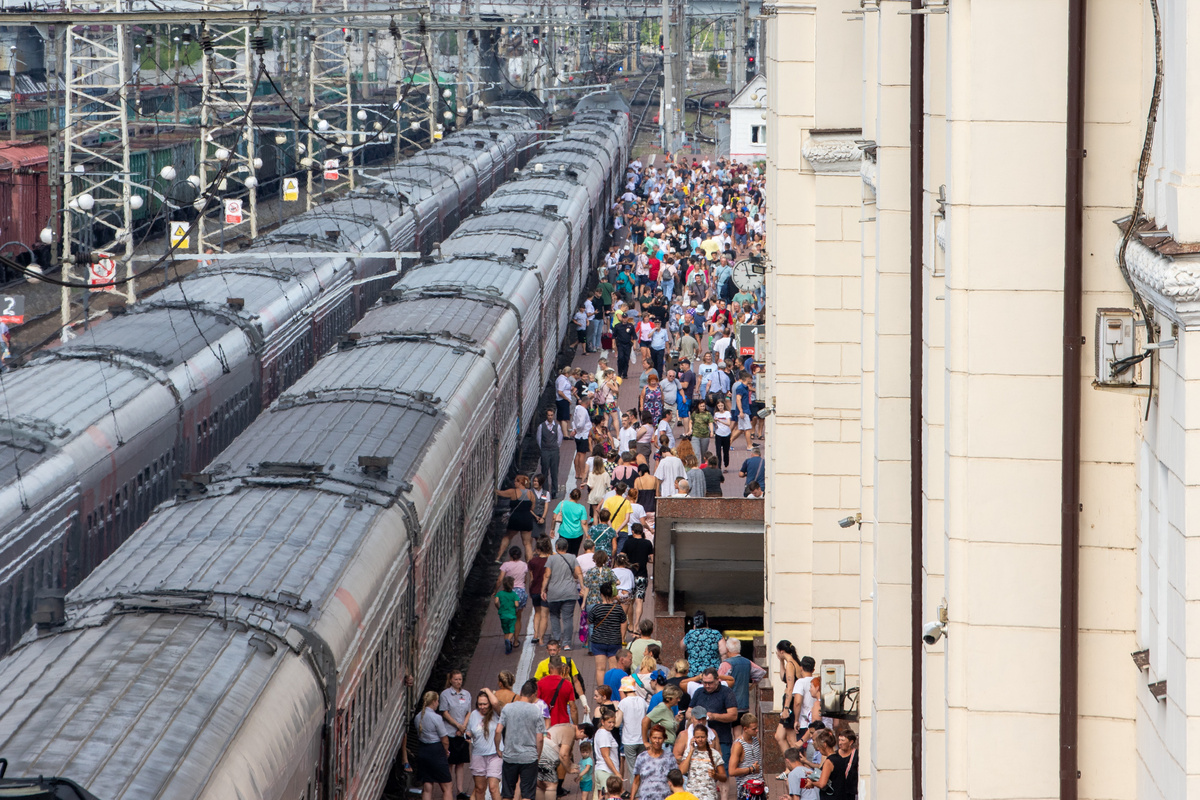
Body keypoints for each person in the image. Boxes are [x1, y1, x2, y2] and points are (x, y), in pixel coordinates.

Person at [496, 680, 546, 800]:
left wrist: (498, 748)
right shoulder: (536, 711)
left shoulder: (507, 708)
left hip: (510, 756)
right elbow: (539, 738)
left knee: (507, 793)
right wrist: (538, 755)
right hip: (529, 758)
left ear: (521, 692)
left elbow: (498, 731)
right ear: (533, 694)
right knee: (527, 794)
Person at [687, 668, 739, 766]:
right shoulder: (699, 692)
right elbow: (689, 711)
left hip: (722, 738)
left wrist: (714, 716)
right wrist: (695, 718)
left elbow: (733, 715)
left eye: (710, 683)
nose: (707, 686)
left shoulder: (727, 692)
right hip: (700, 740)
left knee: (722, 770)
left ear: (717, 680)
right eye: (704, 683)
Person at [542, 537, 585, 647]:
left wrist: (543, 590)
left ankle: (556, 641)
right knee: (568, 618)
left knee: (554, 616)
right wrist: (582, 586)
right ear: (567, 547)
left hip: (554, 592)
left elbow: (547, 575)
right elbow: (579, 573)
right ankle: (567, 644)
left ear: (556, 547)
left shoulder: (551, 559)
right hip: (569, 592)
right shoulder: (572, 557)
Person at [440, 670, 474, 800]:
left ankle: (460, 791)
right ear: (450, 680)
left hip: (462, 733)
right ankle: (448, 789)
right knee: (450, 762)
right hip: (450, 732)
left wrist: (463, 727)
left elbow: (468, 712)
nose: (458, 682)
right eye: (456, 679)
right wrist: (457, 726)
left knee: (460, 763)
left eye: (460, 679)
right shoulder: (445, 694)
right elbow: (445, 713)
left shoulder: (466, 694)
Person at [589, 583, 629, 689]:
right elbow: (624, 622)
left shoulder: (596, 608)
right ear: (613, 594)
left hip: (598, 641)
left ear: (601, 594)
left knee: (600, 669)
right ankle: (612, 690)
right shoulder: (618, 609)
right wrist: (622, 637)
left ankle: (602, 692)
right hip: (614, 641)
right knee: (613, 669)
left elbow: (590, 621)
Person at [416, 690, 454, 800]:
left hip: (423, 750)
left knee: (427, 785)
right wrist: (446, 751)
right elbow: (445, 739)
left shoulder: (418, 717)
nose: (438, 703)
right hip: (436, 751)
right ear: (433, 702)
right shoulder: (436, 718)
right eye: (437, 701)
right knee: (447, 786)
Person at [468, 689, 504, 800]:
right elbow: (469, 731)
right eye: (480, 704)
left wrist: (487, 691)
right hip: (478, 755)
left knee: (493, 787)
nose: (482, 707)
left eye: (485, 704)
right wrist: (467, 737)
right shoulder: (473, 714)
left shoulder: (496, 713)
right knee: (479, 788)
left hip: (494, 754)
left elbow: (495, 703)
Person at [718, 638, 766, 717]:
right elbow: (761, 673)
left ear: (727, 649)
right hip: (744, 704)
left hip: (728, 705)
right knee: (739, 727)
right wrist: (751, 687)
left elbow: (719, 683)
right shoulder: (747, 662)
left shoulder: (726, 664)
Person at [678, 724, 726, 800]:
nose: (700, 739)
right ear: (693, 738)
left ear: (707, 737)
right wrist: (691, 751)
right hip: (692, 796)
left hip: (709, 796)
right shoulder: (688, 752)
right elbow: (682, 771)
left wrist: (715, 775)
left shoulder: (715, 754)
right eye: (697, 737)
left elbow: (724, 777)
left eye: (702, 737)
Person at [619, 524, 654, 626]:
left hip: (630, 575)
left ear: (632, 531)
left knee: (630, 601)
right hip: (642, 575)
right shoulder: (647, 543)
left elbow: (621, 556)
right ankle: (636, 625)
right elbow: (651, 559)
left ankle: (629, 624)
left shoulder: (628, 542)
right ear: (642, 531)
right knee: (639, 601)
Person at [631, 724, 678, 800]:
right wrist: (632, 798)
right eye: (654, 738)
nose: (657, 741)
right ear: (650, 738)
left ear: (664, 739)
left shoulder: (670, 757)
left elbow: (675, 781)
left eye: (660, 738)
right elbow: (636, 781)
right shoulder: (642, 757)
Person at [497, 475, 538, 560]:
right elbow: (532, 508)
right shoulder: (531, 493)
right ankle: (529, 563)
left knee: (507, 537)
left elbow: (500, 493)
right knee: (527, 543)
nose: (514, 482)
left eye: (516, 481)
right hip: (527, 519)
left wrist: (494, 490)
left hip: (515, 518)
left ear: (520, 482)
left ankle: (498, 557)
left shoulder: (513, 492)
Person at [773, 641, 804, 755]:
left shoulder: (791, 664)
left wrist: (786, 709)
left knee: (792, 740)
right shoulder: (792, 663)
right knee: (779, 736)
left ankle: (798, 766)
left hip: (789, 703)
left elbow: (790, 688)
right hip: (789, 702)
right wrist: (781, 661)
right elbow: (783, 677)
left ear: (781, 651)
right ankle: (790, 765)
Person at [497, 546, 529, 641]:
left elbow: (500, 579)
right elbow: (525, 579)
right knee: (518, 617)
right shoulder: (524, 565)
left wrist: (495, 591)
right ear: (520, 555)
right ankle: (515, 640)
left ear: (510, 555)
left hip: (509, 593)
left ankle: (508, 637)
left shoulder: (505, 565)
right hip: (521, 592)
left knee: (508, 617)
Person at [728, 713, 764, 799]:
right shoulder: (738, 745)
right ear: (745, 729)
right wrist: (751, 769)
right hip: (746, 789)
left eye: (757, 728)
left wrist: (765, 786)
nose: (757, 731)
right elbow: (732, 771)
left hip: (759, 786)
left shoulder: (757, 741)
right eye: (754, 729)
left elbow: (760, 767)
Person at [594, 709, 622, 800]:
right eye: (609, 722)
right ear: (602, 722)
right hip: (606, 771)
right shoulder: (604, 735)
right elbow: (606, 756)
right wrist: (617, 773)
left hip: (601, 770)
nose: (612, 724)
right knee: (607, 797)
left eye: (613, 722)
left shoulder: (600, 732)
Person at [528, 538, 552, 645]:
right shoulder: (550, 560)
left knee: (537, 613)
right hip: (546, 590)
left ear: (537, 549)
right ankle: (541, 639)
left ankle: (535, 634)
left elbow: (531, 578)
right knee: (544, 615)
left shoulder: (532, 561)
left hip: (535, 590)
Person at [555, 488, 590, 555]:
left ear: (570, 495)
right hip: (577, 534)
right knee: (574, 553)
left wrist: (552, 529)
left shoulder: (562, 504)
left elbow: (554, 517)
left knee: (563, 552)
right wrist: (587, 535)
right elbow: (584, 523)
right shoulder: (581, 508)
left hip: (564, 532)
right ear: (579, 498)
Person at [537, 408, 563, 499]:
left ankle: (554, 492)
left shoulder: (557, 426)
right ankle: (545, 491)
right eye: (549, 415)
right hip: (545, 451)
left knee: (554, 472)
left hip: (554, 451)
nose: (550, 417)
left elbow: (559, 439)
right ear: (546, 416)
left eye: (552, 415)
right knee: (544, 472)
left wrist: (555, 447)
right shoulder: (541, 426)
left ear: (553, 415)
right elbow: (539, 439)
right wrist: (544, 448)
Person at [495, 575, 520, 655]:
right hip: (512, 615)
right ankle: (509, 640)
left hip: (503, 615)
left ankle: (507, 648)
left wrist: (498, 607)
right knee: (511, 630)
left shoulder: (499, 594)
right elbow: (516, 605)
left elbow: (496, 602)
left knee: (506, 631)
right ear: (512, 585)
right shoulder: (514, 595)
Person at [574, 394, 596, 480]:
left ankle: (577, 472)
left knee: (578, 453)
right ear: (587, 403)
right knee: (582, 454)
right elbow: (581, 423)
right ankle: (582, 472)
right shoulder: (583, 411)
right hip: (583, 435)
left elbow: (575, 421)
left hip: (578, 435)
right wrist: (579, 429)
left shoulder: (577, 408)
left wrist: (575, 430)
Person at [712, 400, 733, 470]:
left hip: (726, 434)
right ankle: (719, 466)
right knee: (718, 451)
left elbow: (728, 423)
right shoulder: (716, 413)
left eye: (721, 406)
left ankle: (726, 465)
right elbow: (715, 422)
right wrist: (715, 422)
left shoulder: (727, 413)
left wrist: (720, 420)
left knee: (726, 451)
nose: (720, 407)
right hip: (718, 434)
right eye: (719, 406)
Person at [556, 367, 575, 437]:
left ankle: (563, 433)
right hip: (563, 400)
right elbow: (560, 392)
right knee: (564, 418)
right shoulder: (562, 380)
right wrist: (567, 399)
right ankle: (566, 435)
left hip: (562, 400)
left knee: (562, 418)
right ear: (567, 373)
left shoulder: (562, 379)